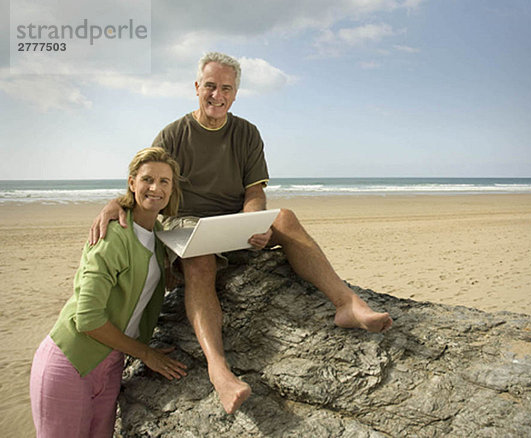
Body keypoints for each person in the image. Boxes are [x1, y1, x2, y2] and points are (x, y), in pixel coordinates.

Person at [89, 52, 393, 415]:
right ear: (197, 88)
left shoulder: (247, 133)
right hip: (185, 224)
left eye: (226, 88)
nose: (218, 95)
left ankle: (347, 304)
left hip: (233, 221)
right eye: (211, 86)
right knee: (200, 263)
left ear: (235, 94)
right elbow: (145, 177)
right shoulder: (173, 134)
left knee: (286, 217)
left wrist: (253, 223)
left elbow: (254, 192)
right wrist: (115, 203)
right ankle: (220, 371)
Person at [30, 147, 188, 438]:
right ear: (132, 183)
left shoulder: (157, 236)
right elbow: (87, 318)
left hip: (112, 364)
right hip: (70, 362)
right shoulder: (112, 235)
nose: (156, 188)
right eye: (147, 179)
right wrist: (147, 354)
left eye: (165, 181)